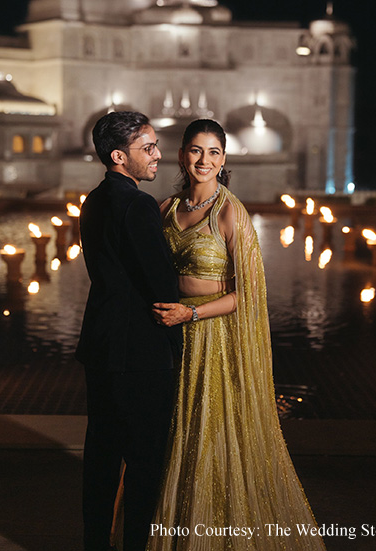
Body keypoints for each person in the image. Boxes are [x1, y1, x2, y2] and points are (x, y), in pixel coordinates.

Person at [148, 119, 326, 550]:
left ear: (224, 159)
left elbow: (248, 295)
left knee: (212, 429)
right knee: (176, 434)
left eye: (213, 152)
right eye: (195, 150)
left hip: (212, 334)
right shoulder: (166, 208)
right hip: (173, 336)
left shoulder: (231, 212)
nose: (203, 160)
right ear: (181, 154)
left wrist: (190, 314)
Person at [76, 111, 182, 551]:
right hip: (137, 352)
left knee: (101, 457)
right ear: (120, 156)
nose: (158, 155)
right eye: (148, 148)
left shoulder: (94, 200)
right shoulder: (136, 204)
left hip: (101, 345)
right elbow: (160, 283)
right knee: (144, 461)